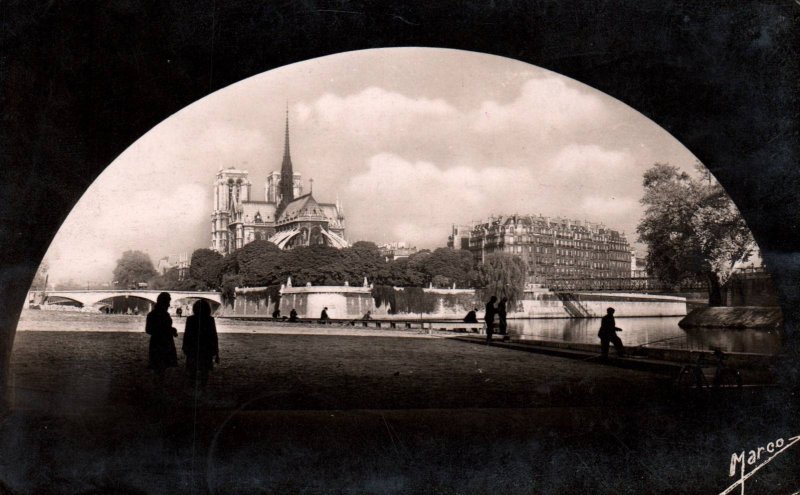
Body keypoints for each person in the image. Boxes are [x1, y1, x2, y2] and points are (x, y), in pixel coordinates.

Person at [182, 299, 219, 389]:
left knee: (192, 369)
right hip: (206, 348)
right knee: (205, 369)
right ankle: (203, 386)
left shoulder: (190, 319)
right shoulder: (210, 320)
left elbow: (187, 334)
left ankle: (192, 386)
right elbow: (214, 335)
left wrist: (185, 347)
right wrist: (216, 351)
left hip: (193, 347)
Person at [145, 292, 178, 384]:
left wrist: (170, 330)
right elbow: (161, 328)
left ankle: (158, 383)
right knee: (163, 365)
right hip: (165, 341)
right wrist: (170, 330)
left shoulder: (151, 315)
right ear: (164, 302)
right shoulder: (165, 315)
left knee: (158, 365)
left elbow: (148, 330)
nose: (169, 304)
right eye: (168, 302)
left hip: (156, 342)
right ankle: (160, 384)